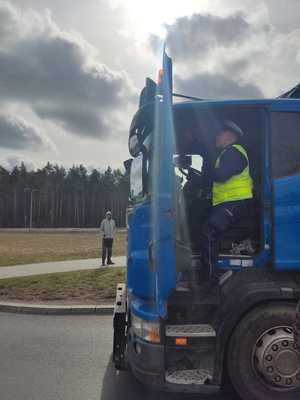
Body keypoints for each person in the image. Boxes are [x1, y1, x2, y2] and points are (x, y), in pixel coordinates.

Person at [199, 120, 253, 284]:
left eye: (219, 134)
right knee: (207, 225)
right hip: (229, 202)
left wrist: (205, 174)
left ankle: (211, 277)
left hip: (236, 203)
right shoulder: (227, 153)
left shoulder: (234, 152)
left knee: (208, 233)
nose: (216, 137)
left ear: (229, 135)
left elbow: (221, 175)